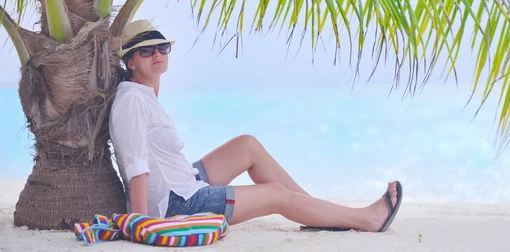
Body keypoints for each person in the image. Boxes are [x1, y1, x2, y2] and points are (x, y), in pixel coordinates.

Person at [109, 19, 402, 232]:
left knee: (247, 145)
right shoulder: (132, 100)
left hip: (184, 180)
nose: (157, 54)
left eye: (161, 47)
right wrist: (141, 226)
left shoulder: (144, 94)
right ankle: (366, 220)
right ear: (131, 62)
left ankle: (315, 212)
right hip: (176, 204)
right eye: (146, 51)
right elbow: (137, 166)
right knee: (275, 193)